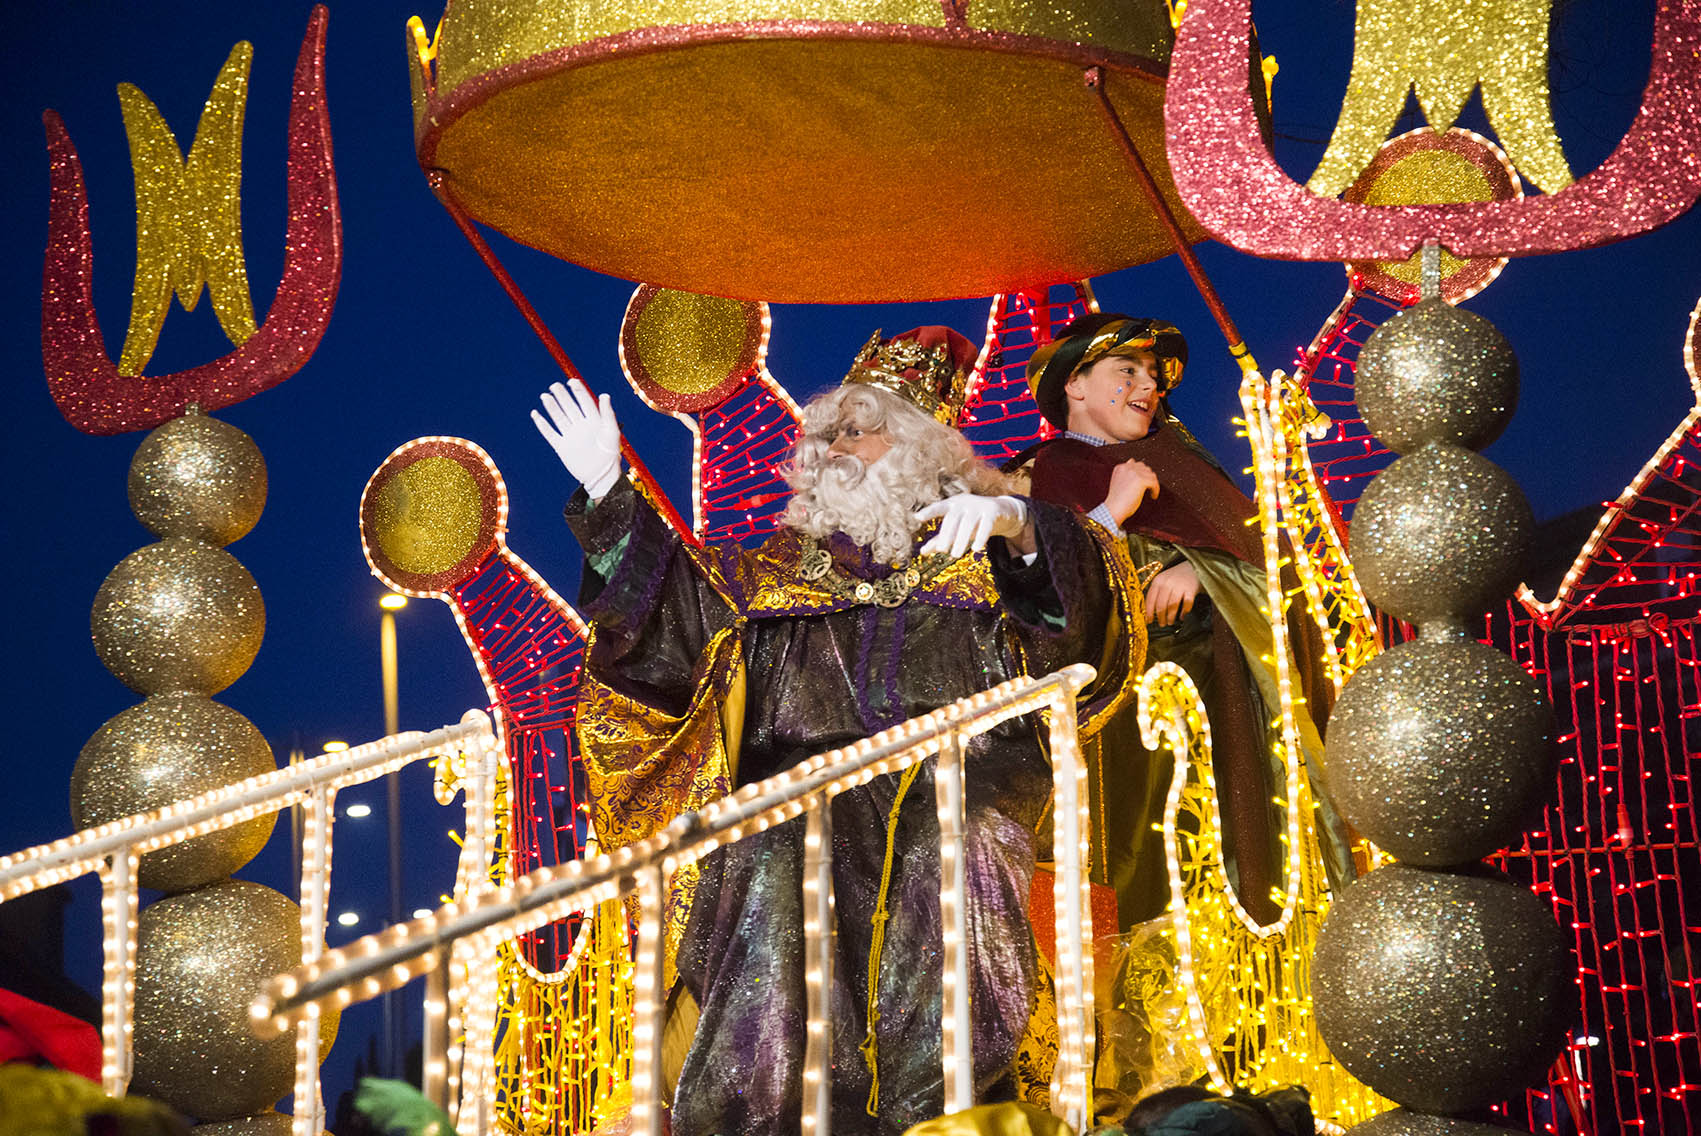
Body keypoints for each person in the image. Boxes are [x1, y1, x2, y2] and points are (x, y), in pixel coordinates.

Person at [532, 326, 1145, 1136]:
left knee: (951, 849)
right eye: (822, 435)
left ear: (923, 449)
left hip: (959, 780)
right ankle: (766, 1115)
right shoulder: (768, 575)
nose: (829, 447)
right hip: (799, 796)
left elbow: (1084, 636)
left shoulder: (984, 558)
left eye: (856, 428)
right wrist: (611, 493)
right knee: (772, 847)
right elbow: (660, 632)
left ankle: (942, 1110)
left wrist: (1018, 525)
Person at [1012, 314, 1353, 932]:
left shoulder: (1180, 461)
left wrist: (1206, 569)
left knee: (1223, 867)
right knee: (1139, 876)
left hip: (1221, 698)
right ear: (1075, 386)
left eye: (1155, 376)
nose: (1149, 385)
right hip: (1115, 718)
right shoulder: (1039, 475)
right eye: (1128, 370)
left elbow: (1271, 560)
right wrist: (1112, 514)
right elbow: (1041, 603)